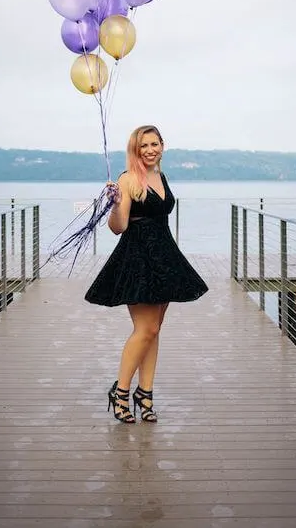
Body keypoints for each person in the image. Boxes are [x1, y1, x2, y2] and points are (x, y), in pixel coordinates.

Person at [85, 125, 209, 424]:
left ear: (163, 146)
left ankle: (146, 392)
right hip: (138, 257)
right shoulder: (127, 180)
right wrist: (114, 205)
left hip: (164, 255)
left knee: (154, 330)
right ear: (135, 150)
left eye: (155, 144)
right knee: (146, 330)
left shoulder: (160, 176)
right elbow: (118, 227)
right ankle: (121, 392)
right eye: (144, 146)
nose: (151, 149)